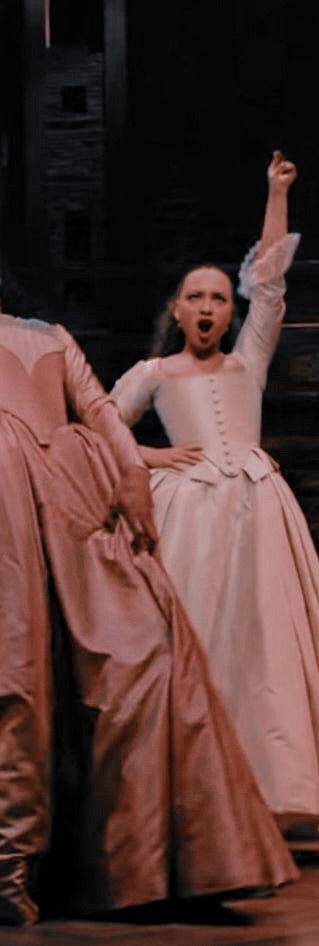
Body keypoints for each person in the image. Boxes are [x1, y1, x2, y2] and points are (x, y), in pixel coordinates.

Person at [0, 49, 297, 926]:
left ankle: (165, 860)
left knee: (143, 659)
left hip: (71, 508)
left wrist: (132, 504)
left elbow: (103, 419)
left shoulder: (47, 332)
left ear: (1, 263)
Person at [110, 152, 319, 830]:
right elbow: (99, 430)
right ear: (176, 309)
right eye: (194, 297)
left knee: (262, 646)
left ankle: (264, 788)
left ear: (228, 313)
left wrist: (274, 192)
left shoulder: (246, 357)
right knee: (197, 639)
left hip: (256, 513)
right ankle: (192, 791)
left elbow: (269, 281)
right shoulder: (153, 369)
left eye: (216, 299)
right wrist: (154, 455)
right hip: (189, 518)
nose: (206, 306)